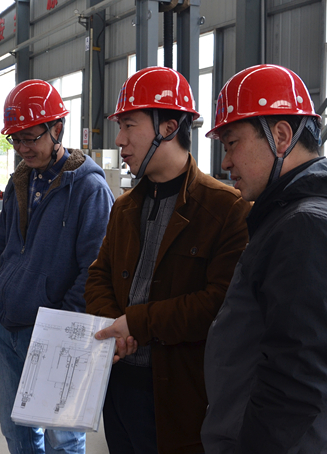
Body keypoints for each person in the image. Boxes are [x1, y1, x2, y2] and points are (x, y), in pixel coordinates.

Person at [200, 64, 327, 453]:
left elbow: (297, 379)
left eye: (232, 143)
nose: (226, 162)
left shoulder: (310, 226)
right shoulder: (295, 216)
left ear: (281, 136)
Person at [85, 66, 251, 454]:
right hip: (118, 384)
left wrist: (138, 323)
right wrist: (114, 327)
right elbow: (99, 275)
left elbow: (219, 304)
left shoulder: (226, 209)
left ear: (169, 127)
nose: (120, 140)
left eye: (129, 125)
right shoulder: (125, 207)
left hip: (178, 396)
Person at [0, 79, 115, 454]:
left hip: (56, 332)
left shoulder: (89, 189)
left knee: (63, 437)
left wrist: (62, 324)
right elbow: (2, 243)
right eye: (16, 140)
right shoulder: (20, 181)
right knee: (17, 431)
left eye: (31, 138)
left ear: (57, 128)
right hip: (6, 325)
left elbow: (95, 267)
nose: (23, 148)